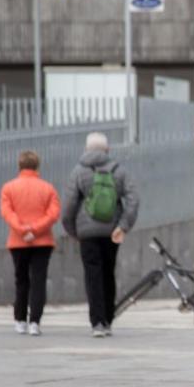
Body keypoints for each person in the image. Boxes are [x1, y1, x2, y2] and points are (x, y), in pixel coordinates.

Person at [62, 131, 139, 338]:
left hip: (87, 232)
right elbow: (133, 200)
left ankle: (97, 323)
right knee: (108, 273)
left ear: (86, 149)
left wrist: (73, 231)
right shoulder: (119, 171)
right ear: (107, 149)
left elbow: (69, 205)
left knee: (92, 275)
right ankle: (108, 319)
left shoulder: (78, 171)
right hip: (112, 232)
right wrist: (122, 226)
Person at [0, 149, 60, 336]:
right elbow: (53, 214)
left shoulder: (8, 188)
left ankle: (19, 320)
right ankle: (35, 321)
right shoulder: (48, 188)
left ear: (19, 166)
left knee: (21, 280)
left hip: (18, 242)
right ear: (37, 166)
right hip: (42, 241)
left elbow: (7, 213)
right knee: (39, 281)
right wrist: (35, 229)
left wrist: (22, 229)